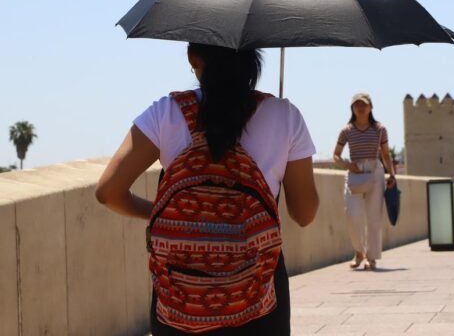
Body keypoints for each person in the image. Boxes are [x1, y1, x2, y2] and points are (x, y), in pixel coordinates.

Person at [95, 43, 319, 335]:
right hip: (260, 297)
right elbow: (304, 214)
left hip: (181, 301)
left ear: (193, 57)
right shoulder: (284, 115)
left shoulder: (167, 112)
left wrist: (162, 214)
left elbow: (108, 192)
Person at [333, 93, 396, 270]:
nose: (361, 108)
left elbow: (385, 154)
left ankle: (371, 257)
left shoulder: (379, 129)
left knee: (374, 217)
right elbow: (335, 155)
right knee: (352, 215)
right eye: (357, 105)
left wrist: (392, 175)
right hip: (355, 173)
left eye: (364, 104)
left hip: (375, 171)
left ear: (370, 107)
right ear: (352, 108)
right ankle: (358, 251)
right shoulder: (347, 130)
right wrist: (347, 165)